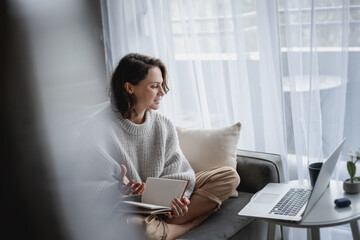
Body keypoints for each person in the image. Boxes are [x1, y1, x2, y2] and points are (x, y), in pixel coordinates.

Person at [75, 53, 240, 240]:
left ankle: (163, 227)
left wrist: (178, 199)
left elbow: (179, 171)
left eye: (162, 85)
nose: (162, 92)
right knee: (136, 228)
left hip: (161, 205)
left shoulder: (163, 124)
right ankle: (185, 225)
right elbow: (85, 188)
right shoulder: (97, 128)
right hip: (128, 209)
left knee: (228, 176)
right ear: (129, 88)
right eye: (154, 86)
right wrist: (119, 189)